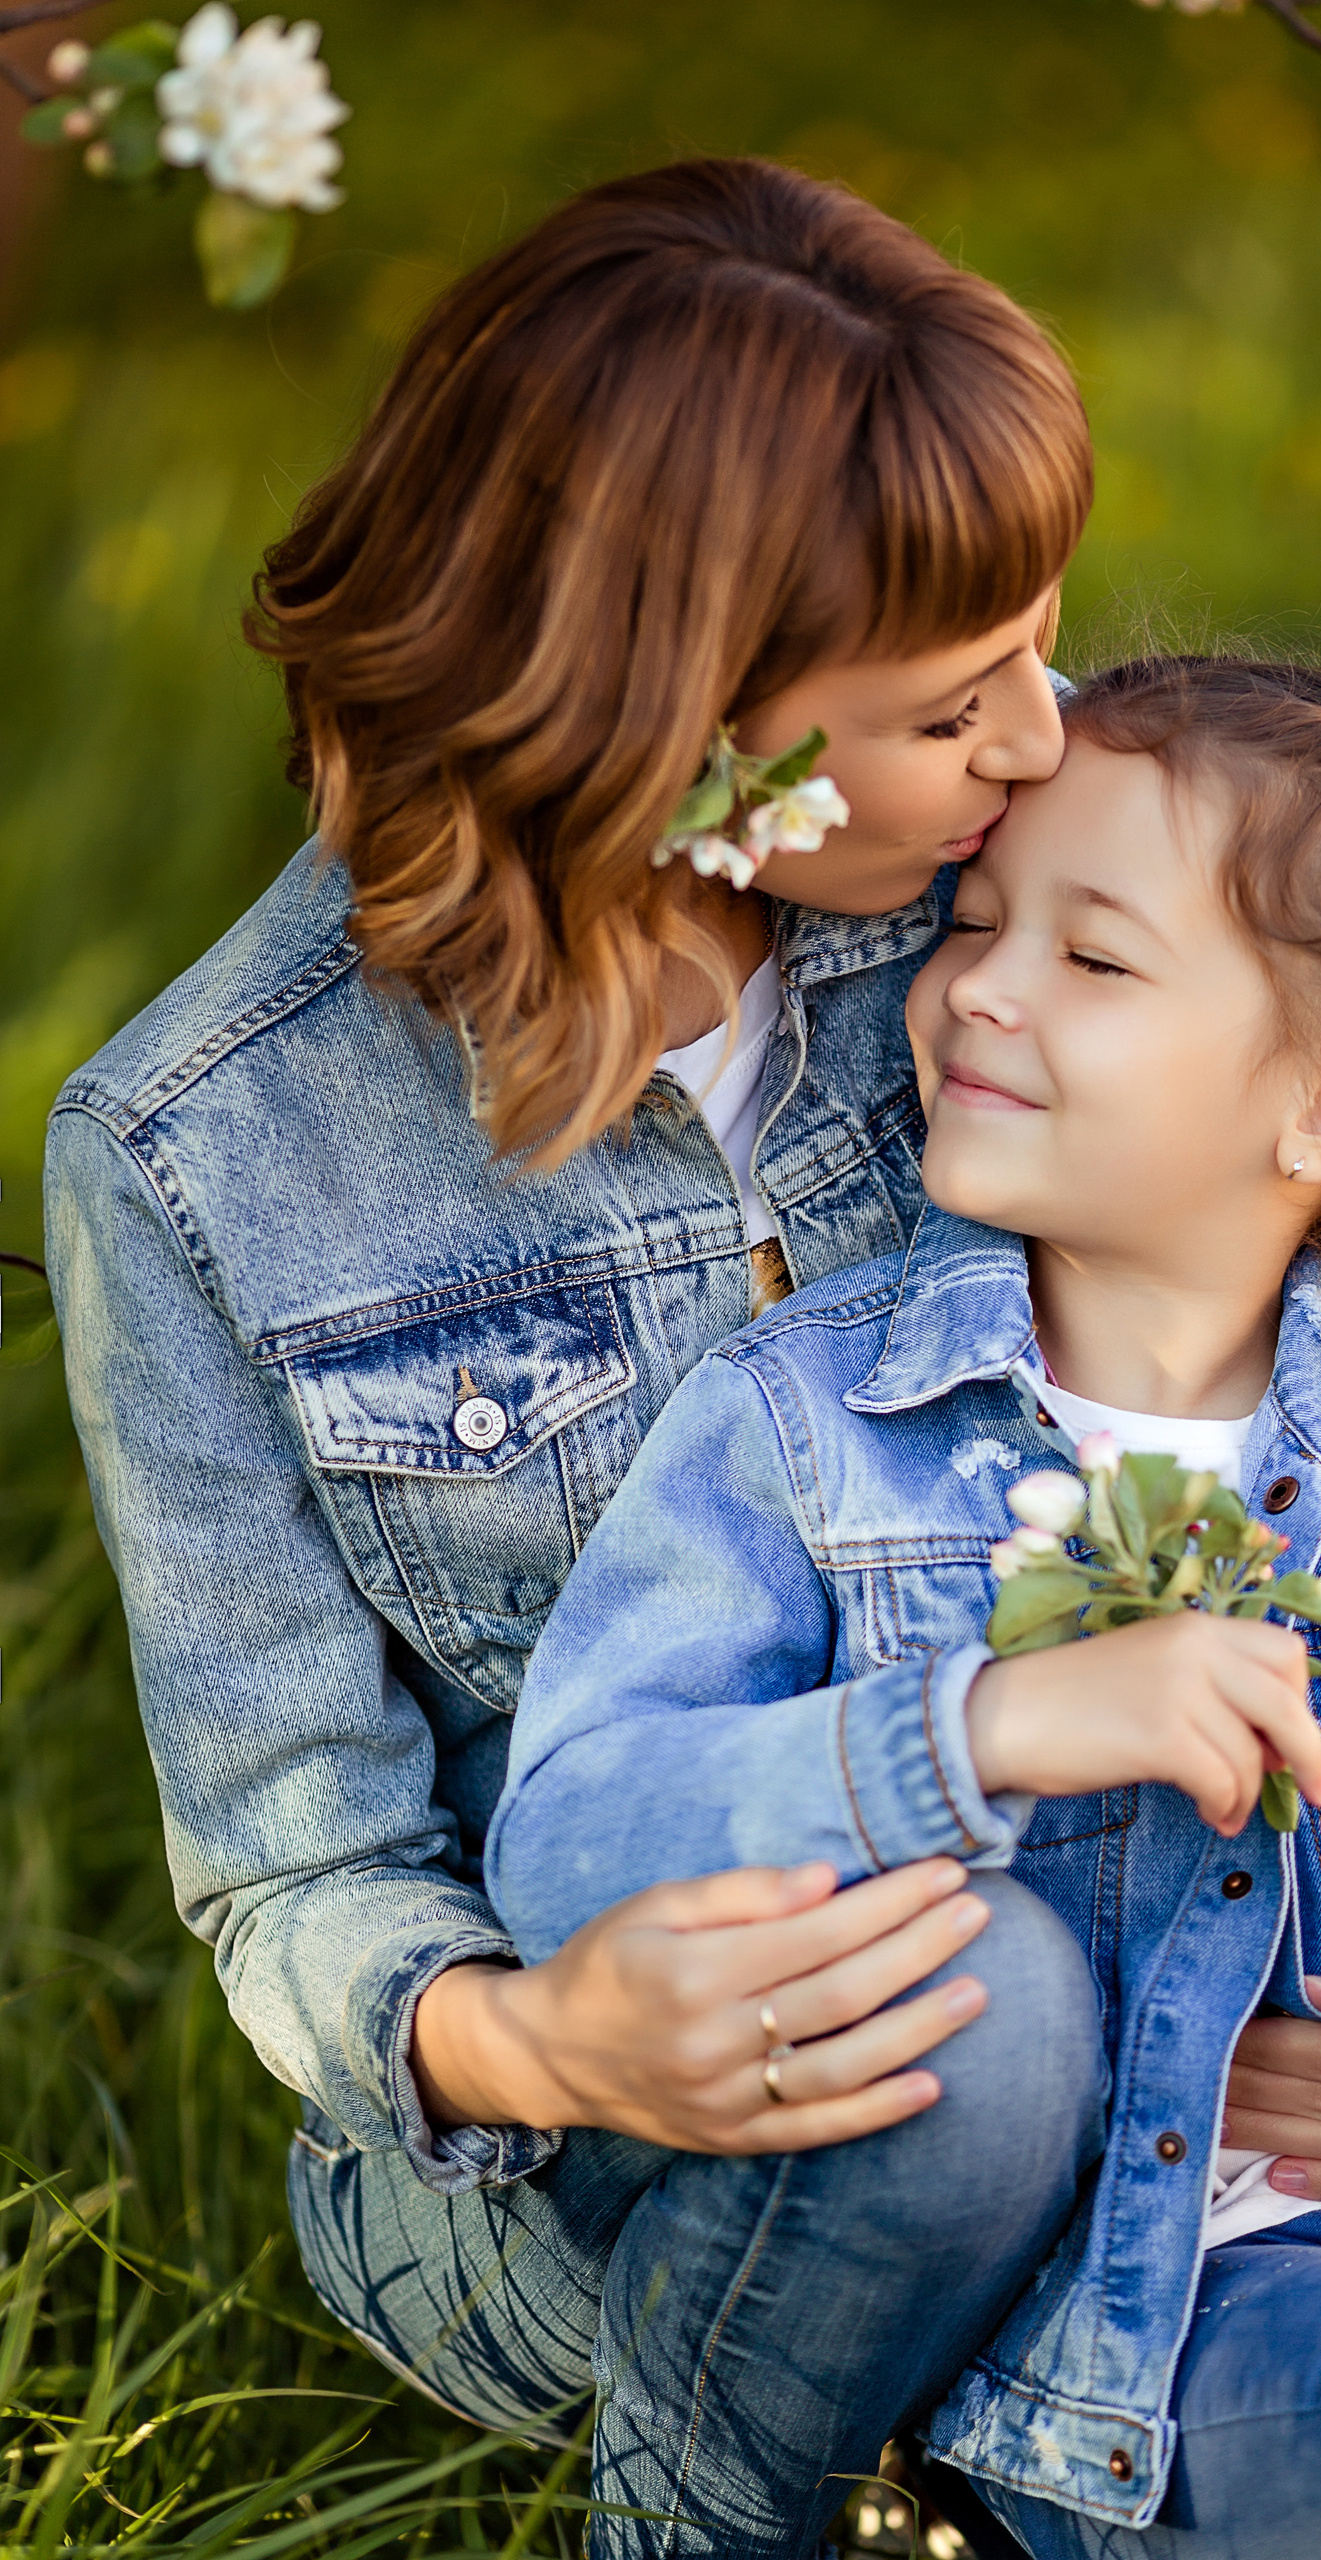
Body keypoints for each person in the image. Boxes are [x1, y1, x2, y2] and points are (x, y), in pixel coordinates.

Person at [47, 154, 1117, 2546]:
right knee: (986, 2024)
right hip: (586, 2113)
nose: (1051, 739)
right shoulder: (203, 1154)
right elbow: (289, 1857)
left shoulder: (1032, 905)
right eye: (960, 707)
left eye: (1039, 648)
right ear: (679, 741)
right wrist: (533, 2036)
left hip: (1128, 1906)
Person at [490, 655, 1321, 2557]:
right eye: (976, 922)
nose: (978, 982)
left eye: (1096, 958)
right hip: (1160, 2321)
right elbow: (566, 1841)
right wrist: (980, 1728)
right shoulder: (814, 1426)